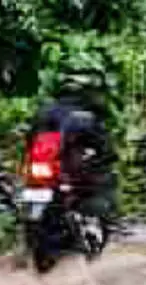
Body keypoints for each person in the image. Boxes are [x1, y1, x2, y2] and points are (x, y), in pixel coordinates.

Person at [28, 70, 119, 233]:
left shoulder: (43, 112)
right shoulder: (87, 115)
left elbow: (29, 140)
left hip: (42, 170)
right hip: (70, 170)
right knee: (104, 181)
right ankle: (107, 220)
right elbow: (103, 145)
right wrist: (107, 156)